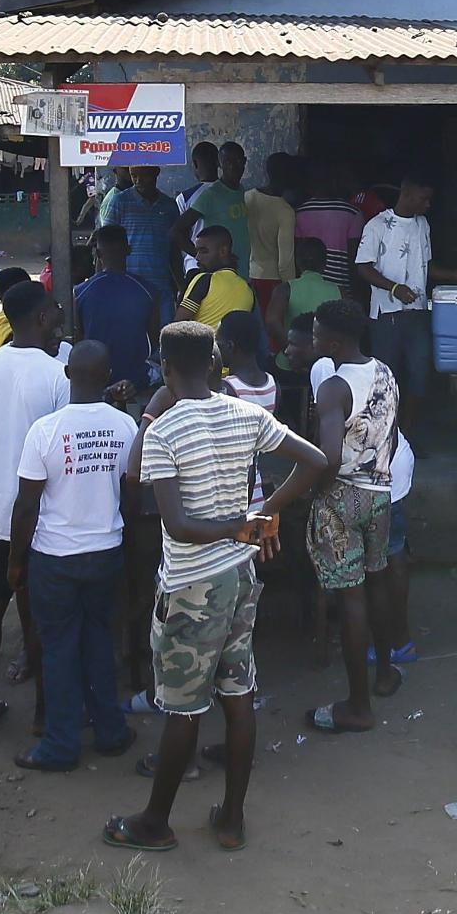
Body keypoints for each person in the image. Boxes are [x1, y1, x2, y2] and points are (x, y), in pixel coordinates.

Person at [107, 321, 329, 853]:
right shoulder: (247, 413)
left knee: (183, 709)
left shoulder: (163, 432)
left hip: (191, 584)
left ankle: (156, 823)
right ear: (215, 363)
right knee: (237, 694)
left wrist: (243, 525)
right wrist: (260, 516)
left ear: (163, 369)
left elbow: (178, 526)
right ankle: (231, 819)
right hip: (240, 574)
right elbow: (316, 461)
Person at [11, 339, 143, 770]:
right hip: (106, 551)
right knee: (99, 642)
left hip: (55, 558)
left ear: (67, 374)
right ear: (107, 378)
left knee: (58, 649)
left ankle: (60, 744)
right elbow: (131, 494)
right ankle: (110, 731)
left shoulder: (45, 431)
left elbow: (27, 504)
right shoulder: (125, 427)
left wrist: (16, 561)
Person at [0, 280, 70, 733]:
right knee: (40, 611)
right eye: (55, 309)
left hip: (0, 508)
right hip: (42, 514)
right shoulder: (55, 375)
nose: (60, 313)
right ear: (42, 318)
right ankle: (44, 714)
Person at [301, 299, 406, 731]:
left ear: (334, 341)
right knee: (377, 580)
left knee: (351, 599)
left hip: (340, 498)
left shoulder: (333, 387)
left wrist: (317, 491)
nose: (312, 340)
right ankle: (384, 673)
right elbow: (393, 437)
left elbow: (326, 456)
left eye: (316, 333)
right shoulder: (384, 372)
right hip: (379, 492)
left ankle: (357, 706)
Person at [358, 173, 457, 440]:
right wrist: (394, 288)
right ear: (406, 192)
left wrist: (454, 275)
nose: (428, 204)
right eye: (424, 198)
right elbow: (362, 266)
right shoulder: (378, 225)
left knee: (420, 373)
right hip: (386, 315)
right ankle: (385, 436)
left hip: (418, 313)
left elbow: (424, 267)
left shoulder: (422, 225)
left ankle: (405, 435)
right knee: (386, 378)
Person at [75, 223, 162, 408]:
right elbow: (155, 341)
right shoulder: (148, 291)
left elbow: (78, 338)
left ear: (98, 255)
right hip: (137, 380)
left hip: (95, 379)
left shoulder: (80, 292)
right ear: (128, 250)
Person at [101, 166, 183, 312]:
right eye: (134, 175)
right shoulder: (119, 202)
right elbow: (106, 245)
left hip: (161, 287)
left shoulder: (170, 206)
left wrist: (181, 286)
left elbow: (174, 251)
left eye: (144, 175)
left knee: (163, 333)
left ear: (156, 172)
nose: (139, 181)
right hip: (127, 287)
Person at [244, 154, 300, 324]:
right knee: (272, 330)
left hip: (246, 273)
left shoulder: (247, 197)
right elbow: (285, 262)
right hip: (272, 279)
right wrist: (291, 289)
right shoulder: (285, 211)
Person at [180, 141, 249, 278]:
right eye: (227, 162)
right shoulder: (211, 194)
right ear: (219, 164)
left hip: (242, 271)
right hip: (219, 275)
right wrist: (202, 256)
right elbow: (176, 231)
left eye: (237, 160)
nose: (233, 166)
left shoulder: (240, 190)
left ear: (244, 162)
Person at [292, 164, 364, 290]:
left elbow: (297, 253)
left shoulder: (300, 212)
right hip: (340, 287)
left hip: (307, 287)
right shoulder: (352, 213)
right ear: (335, 182)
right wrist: (357, 292)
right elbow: (354, 257)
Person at [183, 223, 253, 329]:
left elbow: (178, 326)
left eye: (203, 251)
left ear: (223, 251)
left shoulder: (204, 280)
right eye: (197, 252)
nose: (197, 258)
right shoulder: (247, 289)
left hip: (202, 345)